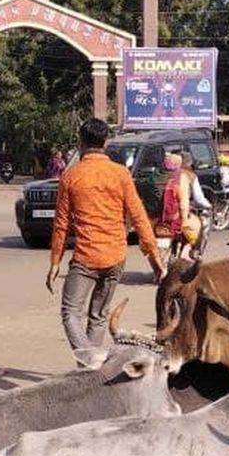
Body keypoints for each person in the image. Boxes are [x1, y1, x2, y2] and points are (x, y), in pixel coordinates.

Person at [46, 117, 161, 369]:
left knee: (70, 313)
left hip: (86, 257)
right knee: (98, 317)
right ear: (105, 142)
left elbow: (61, 224)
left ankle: (90, 362)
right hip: (116, 257)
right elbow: (139, 217)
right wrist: (154, 257)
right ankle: (90, 373)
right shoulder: (120, 174)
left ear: (81, 142)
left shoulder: (71, 175)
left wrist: (55, 262)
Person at [158, 151, 209, 264]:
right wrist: (208, 206)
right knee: (200, 228)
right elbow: (197, 199)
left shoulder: (160, 176)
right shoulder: (187, 177)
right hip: (178, 218)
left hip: (160, 218)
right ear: (189, 163)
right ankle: (191, 253)